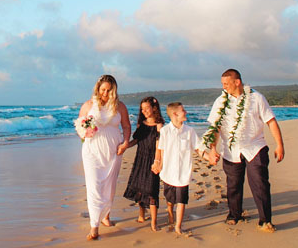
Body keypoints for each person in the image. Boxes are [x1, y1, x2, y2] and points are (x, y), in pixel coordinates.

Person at [204, 69, 285, 232]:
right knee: (233, 184)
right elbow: (215, 128)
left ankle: (265, 220)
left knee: (260, 184)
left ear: (237, 82)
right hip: (230, 149)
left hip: (255, 146)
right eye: (222, 84)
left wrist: (279, 145)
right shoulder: (220, 102)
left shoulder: (256, 98)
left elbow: (271, 121)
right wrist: (212, 149)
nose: (223, 87)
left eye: (226, 84)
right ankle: (234, 214)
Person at [76, 74, 130, 240]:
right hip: (92, 150)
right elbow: (79, 126)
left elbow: (126, 126)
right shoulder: (88, 105)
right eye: (103, 90)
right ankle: (94, 226)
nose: (105, 93)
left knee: (109, 185)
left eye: (109, 90)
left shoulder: (119, 106)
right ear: (97, 89)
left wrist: (125, 142)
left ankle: (106, 215)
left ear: (114, 90)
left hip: (114, 150)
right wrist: (85, 133)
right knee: (93, 186)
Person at [151, 102, 203, 236]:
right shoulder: (165, 131)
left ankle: (178, 226)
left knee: (181, 200)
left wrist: (208, 156)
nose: (185, 112)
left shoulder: (189, 131)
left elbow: (198, 148)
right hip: (168, 173)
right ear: (175, 114)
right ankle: (170, 213)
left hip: (183, 173)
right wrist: (158, 163)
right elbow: (160, 150)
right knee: (170, 199)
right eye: (183, 110)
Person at [122, 96, 163, 231]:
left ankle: (154, 222)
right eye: (142, 109)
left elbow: (159, 146)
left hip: (152, 160)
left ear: (154, 108)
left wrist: (157, 161)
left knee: (151, 190)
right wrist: (125, 146)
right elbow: (136, 140)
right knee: (140, 188)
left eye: (147, 108)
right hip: (140, 159)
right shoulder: (141, 124)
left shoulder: (159, 125)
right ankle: (141, 215)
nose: (144, 111)